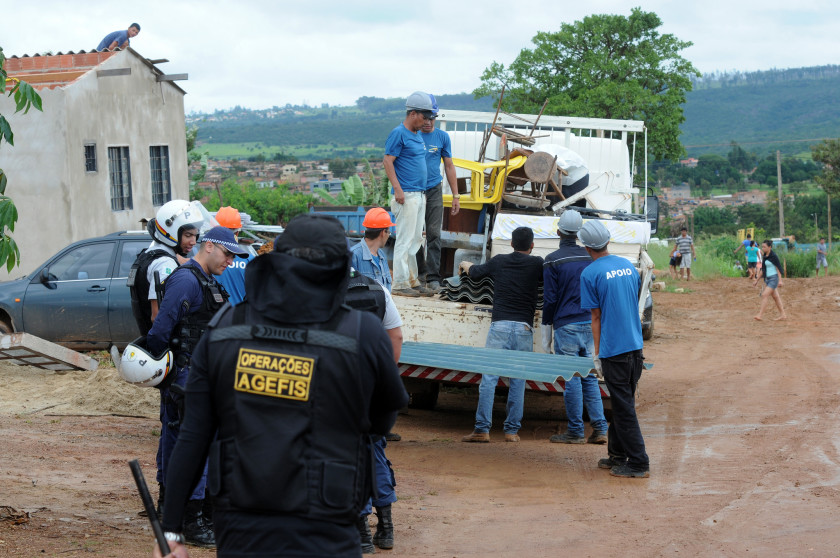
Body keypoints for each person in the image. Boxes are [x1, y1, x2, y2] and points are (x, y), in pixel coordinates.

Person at [152, 214, 408, 558]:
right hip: (328, 523)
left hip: (244, 522)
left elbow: (194, 437)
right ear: (338, 268)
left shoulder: (225, 327)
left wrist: (171, 532)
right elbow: (383, 419)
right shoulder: (362, 333)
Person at [147, 226, 249, 548]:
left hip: (197, 376)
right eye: (227, 253)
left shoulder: (204, 281)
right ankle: (191, 521)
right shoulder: (187, 280)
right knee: (192, 447)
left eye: (234, 255)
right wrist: (171, 370)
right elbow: (160, 331)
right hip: (186, 378)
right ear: (208, 247)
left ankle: (176, 509)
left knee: (181, 443)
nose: (230, 260)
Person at [579, 220, 650, 478]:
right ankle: (617, 454)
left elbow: (595, 317)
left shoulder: (590, 274)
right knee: (623, 403)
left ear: (587, 247)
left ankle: (639, 462)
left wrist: (597, 353)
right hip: (635, 347)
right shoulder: (628, 267)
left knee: (623, 408)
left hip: (614, 351)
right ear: (607, 241)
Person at [459, 227, 543, 443]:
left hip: (500, 327)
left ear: (512, 244)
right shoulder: (537, 264)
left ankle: (482, 430)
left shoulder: (499, 261)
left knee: (489, 378)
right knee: (517, 380)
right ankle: (511, 431)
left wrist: (465, 265)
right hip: (524, 328)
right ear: (532, 246)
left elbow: (476, 273)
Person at [542, 210, 608, 445]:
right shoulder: (590, 257)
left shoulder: (552, 260)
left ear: (558, 231)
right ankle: (600, 428)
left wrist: (547, 325)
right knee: (590, 378)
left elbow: (549, 299)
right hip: (590, 324)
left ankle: (576, 431)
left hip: (566, 325)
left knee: (571, 379)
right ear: (579, 233)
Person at [384, 91, 436, 297]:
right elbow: (388, 161)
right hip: (406, 194)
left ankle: (413, 281)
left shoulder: (416, 135)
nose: (427, 122)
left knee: (416, 240)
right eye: (424, 117)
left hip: (419, 193)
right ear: (413, 113)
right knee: (405, 240)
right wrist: (398, 189)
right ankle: (400, 283)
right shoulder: (399, 133)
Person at [128, 200, 204, 336]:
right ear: (171, 231)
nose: (193, 241)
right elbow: (157, 317)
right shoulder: (165, 264)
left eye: (195, 235)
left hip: (147, 337)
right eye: (188, 235)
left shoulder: (149, 254)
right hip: (165, 346)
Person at [419, 101, 460, 291]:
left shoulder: (442, 137)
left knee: (434, 233)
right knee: (415, 234)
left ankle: (433, 277)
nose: (428, 122)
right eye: (425, 118)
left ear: (436, 118)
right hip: (414, 189)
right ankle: (418, 275)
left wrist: (456, 195)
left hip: (434, 188)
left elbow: (449, 166)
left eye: (431, 118)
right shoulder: (411, 135)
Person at [212, 206, 255, 305]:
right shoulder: (250, 260)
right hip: (239, 317)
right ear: (237, 232)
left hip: (214, 319)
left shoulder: (206, 260)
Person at [350, 208, 395, 293]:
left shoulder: (381, 256)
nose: (388, 235)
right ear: (382, 233)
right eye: (388, 232)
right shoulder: (354, 256)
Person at [754, 239, 787, 321]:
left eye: (764, 247)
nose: (763, 248)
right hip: (768, 279)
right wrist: (756, 280)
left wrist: (780, 280)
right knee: (776, 297)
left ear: (770, 247)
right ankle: (783, 315)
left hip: (774, 279)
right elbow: (763, 270)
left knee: (764, 295)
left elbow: (778, 268)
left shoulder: (774, 256)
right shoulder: (765, 256)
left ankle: (760, 315)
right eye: (762, 247)